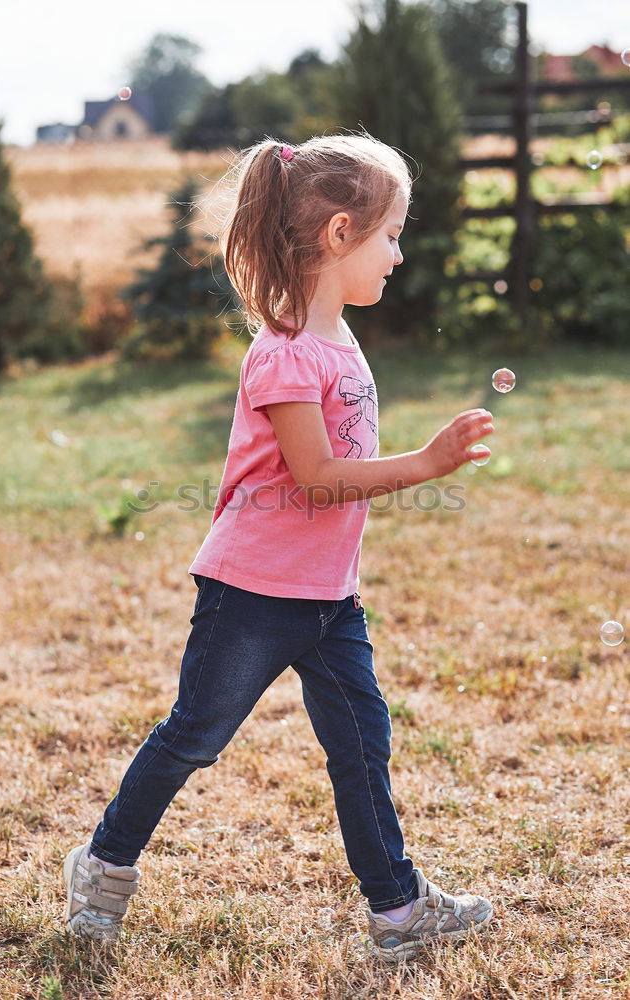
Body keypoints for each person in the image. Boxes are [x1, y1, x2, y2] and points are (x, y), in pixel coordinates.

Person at [63, 131, 495, 963]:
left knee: (362, 748)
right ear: (339, 234)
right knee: (195, 735)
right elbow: (318, 476)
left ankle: (398, 909)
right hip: (254, 594)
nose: (399, 256)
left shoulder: (336, 339)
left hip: (330, 598)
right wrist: (427, 462)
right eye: (391, 234)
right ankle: (104, 867)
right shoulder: (284, 352)